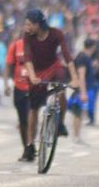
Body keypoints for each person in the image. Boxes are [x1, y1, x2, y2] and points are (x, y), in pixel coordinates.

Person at [19, 9, 80, 162]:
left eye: (29, 24)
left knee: (61, 90)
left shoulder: (56, 34)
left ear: (38, 24)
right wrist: (32, 76)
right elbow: (27, 58)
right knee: (33, 108)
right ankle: (30, 144)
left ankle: (60, 123)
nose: (26, 27)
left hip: (54, 67)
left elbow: (67, 56)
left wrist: (74, 78)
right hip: (36, 71)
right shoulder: (28, 36)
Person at [3, 36, 30, 161]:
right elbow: (8, 65)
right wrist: (6, 84)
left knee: (31, 119)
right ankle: (26, 148)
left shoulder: (40, 46)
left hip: (34, 88)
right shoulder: (16, 45)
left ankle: (32, 145)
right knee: (23, 121)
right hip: (19, 88)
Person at [70, 39, 95, 143]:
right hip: (81, 90)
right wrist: (83, 92)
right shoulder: (82, 58)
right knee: (77, 114)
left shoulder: (84, 57)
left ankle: (77, 135)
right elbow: (81, 76)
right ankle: (76, 136)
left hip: (83, 89)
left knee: (79, 114)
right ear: (92, 47)